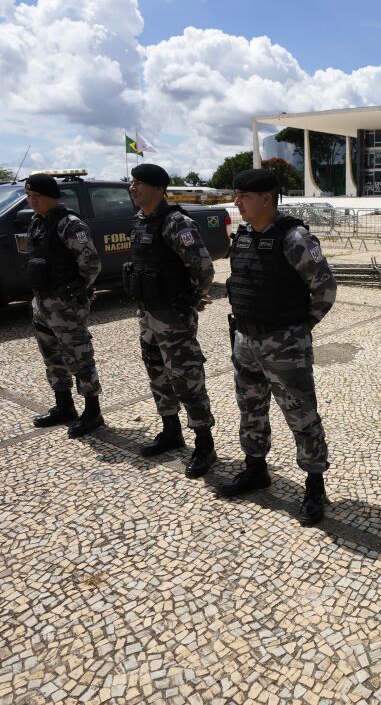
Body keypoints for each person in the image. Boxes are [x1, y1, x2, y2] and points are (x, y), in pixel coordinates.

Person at [217, 168, 337, 526]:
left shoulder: (295, 237)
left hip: (283, 343)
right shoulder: (242, 237)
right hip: (245, 341)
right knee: (251, 408)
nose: (237, 202)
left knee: (301, 414)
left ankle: (315, 486)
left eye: (244, 196)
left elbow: (325, 289)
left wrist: (299, 329)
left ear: (266, 198)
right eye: (236, 195)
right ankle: (256, 469)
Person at [126, 163, 218, 478]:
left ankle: (205, 444)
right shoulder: (139, 222)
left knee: (186, 378)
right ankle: (171, 430)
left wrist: (189, 300)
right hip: (147, 313)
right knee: (157, 373)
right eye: (132, 182)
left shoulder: (176, 223)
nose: (132, 187)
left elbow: (204, 269)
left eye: (139, 183)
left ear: (158, 189)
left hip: (174, 316)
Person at [24, 173, 104, 437]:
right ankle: (64, 406)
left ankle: (92, 412)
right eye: (29, 195)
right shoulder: (37, 223)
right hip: (42, 302)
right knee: (52, 357)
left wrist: (76, 290)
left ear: (51, 197)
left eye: (37, 195)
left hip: (65, 303)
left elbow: (91, 264)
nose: (31, 200)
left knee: (79, 356)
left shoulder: (70, 225)